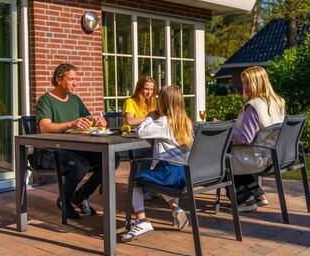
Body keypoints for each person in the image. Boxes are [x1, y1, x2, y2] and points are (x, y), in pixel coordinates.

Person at [121, 85, 193, 242]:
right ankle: (176, 208)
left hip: (170, 173)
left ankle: (141, 221)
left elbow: (141, 131)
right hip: (184, 174)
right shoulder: (186, 122)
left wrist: (150, 115)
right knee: (156, 176)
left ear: (163, 103)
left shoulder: (163, 122)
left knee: (135, 179)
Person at [36, 63, 107, 219]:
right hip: (51, 153)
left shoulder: (75, 100)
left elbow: (88, 119)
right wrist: (70, 124)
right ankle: (65, 201)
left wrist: (97, 121)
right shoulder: (46, 100)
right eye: (71, 79)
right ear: (59, 79)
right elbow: (44, 127)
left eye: (76, 79)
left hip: (75, 150)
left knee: (110, 159)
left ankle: (81, 195)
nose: (75, 83)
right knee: (81, 165)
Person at [231, 66, 286, 212]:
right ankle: (258, 194)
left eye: (248, 83)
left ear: (259, 82)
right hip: (274, 156)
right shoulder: (278, 102)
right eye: (244, 83)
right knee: (234, 157)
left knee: (223, 159)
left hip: (257, 158)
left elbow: (244, 138)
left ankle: (244, 200)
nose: (245, 87)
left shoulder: (253, 106)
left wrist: (227, 133)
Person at [121, 76, 159, 200]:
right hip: (132, 139)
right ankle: (142, 189)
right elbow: (130, 121)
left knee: (164, 153)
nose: (149, 92)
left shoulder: (153, 102)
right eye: (146, 89)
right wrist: (150, 116)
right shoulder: (130, 101)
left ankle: (150, 185)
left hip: (149, 137)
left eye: (151, 89)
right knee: (147, 154)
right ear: (139, 88)